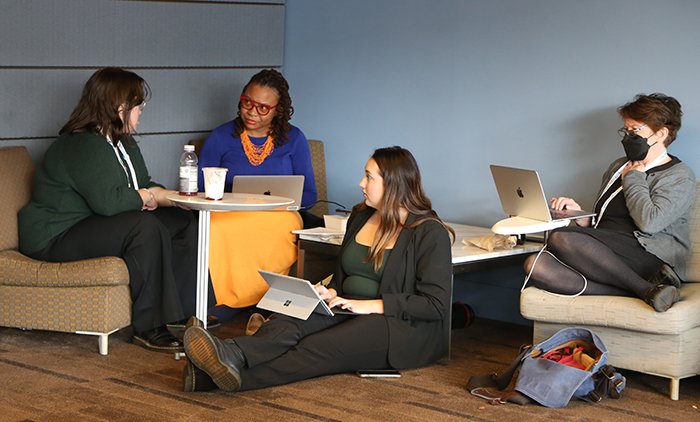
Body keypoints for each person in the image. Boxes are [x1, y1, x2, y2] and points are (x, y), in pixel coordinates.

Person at [180, 146, 454, 392]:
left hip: (399, 326)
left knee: (315, 348)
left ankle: (216, 379)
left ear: (393, 184)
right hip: (345, 305)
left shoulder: (429, 233)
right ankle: (231, 354)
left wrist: (370, 305)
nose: (361, 183)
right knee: (288, 320)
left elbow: (435, 306)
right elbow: (346, 273)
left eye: (369, 177)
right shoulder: (361, 215)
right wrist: (330, 289)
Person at [17, 67, 203, 353]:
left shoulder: (122, 142)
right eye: (139, 105)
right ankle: (150, 327)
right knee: (145, 227)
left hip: (92, 225)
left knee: (181, 219)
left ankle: (184, 314)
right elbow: (110, 203)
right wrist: (146, 196)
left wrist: (174, 198)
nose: (142, 112)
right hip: (55, 235)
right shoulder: (82, 145)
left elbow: (142, 185)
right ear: (120, 108)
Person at [523, 93, 696, 312]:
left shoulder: (679, 175)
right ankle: (647, 291)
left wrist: (634, 177)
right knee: (535, 265)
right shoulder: (618, 166)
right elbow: (609, 223)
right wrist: (582, 217)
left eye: (635, 130)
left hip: (651, 256)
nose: (627, 136)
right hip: (613, 252)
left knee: (560, 238)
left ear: (661, 133)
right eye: (626, 129)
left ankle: (646, 287)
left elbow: (650, 223)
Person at [197, 69, 317, 321]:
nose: (252, 112)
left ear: (278, 110)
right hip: (228, 214)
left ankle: (263, 300)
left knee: (279, 227)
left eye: (263, 107)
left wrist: (279, 201)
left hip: (278, 215)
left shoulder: (294, 139)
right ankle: (224, 302)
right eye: (247, 103)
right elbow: (200, 187)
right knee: (217, 229)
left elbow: (309, 194)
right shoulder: (220, 137)